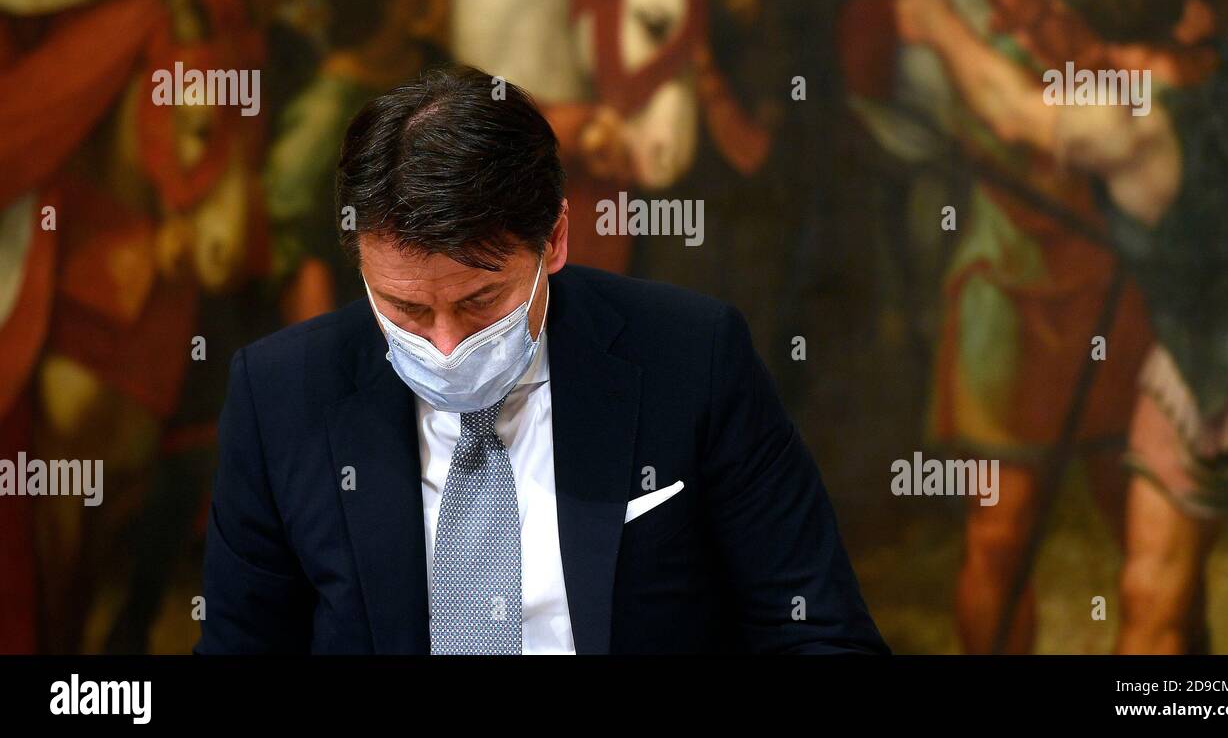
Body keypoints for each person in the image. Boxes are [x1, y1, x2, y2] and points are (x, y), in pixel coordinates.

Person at [196, 65, 889, 654]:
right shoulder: (281, 395)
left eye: (479, 302)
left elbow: (818, 631)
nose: (443, 345)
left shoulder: (693, 358)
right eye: (405, 309)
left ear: (554, 239)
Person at [881, 0, 1228, 653]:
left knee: (1171, 599)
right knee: (1149, 599)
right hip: (1200, 378)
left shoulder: (1129, 121)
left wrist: (942, 28)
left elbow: (1014, 112)